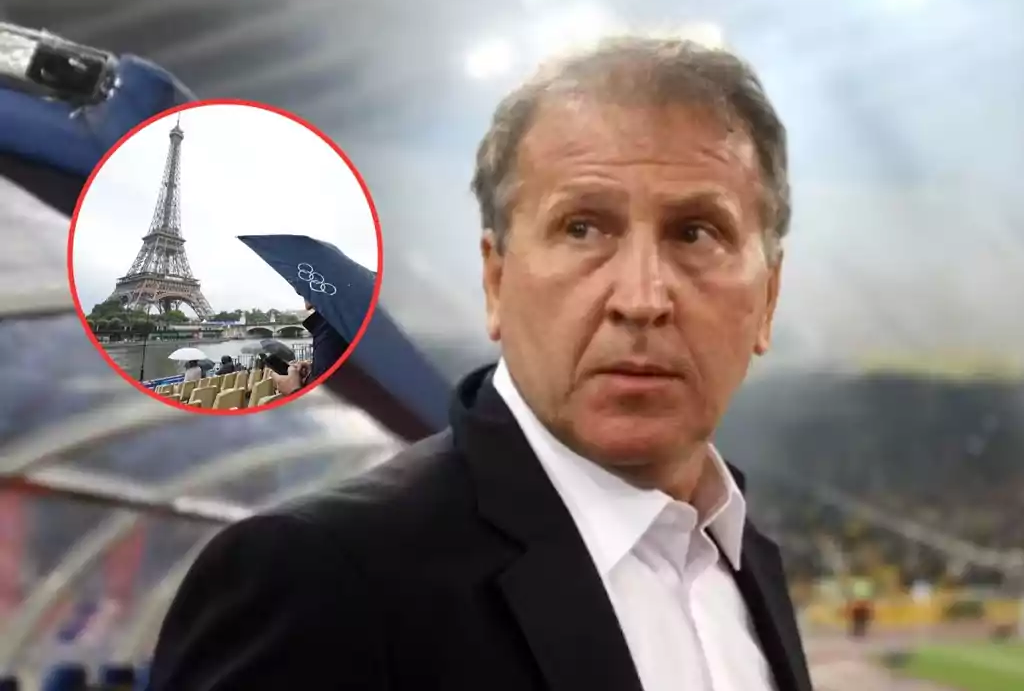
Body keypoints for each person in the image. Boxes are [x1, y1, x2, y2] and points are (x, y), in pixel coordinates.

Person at [148, 35, 814, 690]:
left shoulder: (744, 558)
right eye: (582, 227)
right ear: (496, 281)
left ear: (768, 298)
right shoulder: (319, 577)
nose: (642, 300)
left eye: (696, 233)